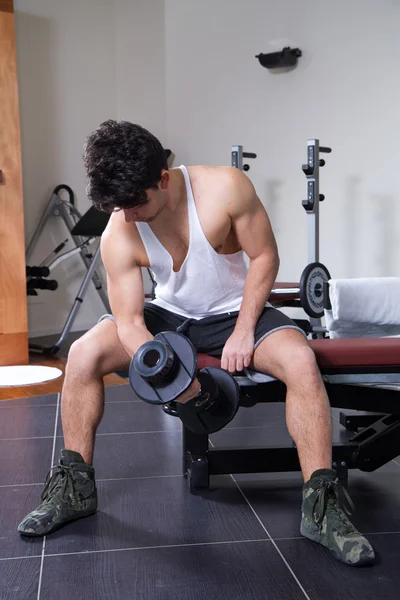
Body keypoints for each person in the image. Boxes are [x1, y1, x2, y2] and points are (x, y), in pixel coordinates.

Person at [18, 120, 375, 567]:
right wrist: (170, 375)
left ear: (162, 179)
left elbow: (265, 256)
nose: (127, 215)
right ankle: (73, 487)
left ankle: (321, 506)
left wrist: (246, 329)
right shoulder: (118, 229)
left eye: (135, 203)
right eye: (118, 207)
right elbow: (129, 322)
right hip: (167, 314)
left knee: (301, 361)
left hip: (233, 310)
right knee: (84, 352)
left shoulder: (226, 189)